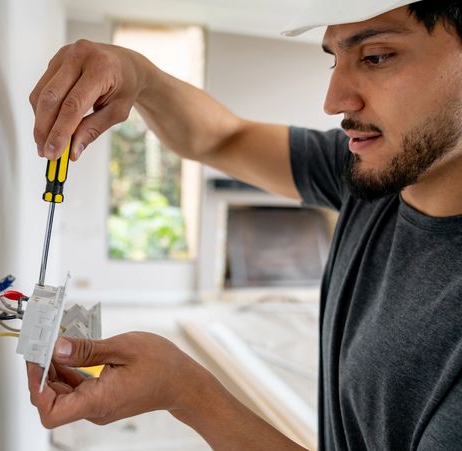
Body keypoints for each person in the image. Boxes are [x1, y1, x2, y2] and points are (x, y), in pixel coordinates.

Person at [26, 1, 462, 449]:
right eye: (335, 59)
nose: (334, 102)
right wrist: (138, 74)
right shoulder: (370, 171)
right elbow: (219, 137)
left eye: (376, 56)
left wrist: (188, 393)